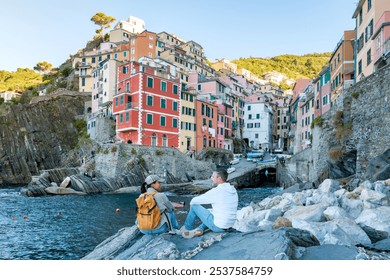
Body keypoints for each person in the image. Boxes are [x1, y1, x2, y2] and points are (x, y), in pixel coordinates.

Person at [180, 169, 238, 238]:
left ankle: (187, 228)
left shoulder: (217, 191)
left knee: (194, 206)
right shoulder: (232, 189)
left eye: (213, 176)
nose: (211, 178)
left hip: (218, 227)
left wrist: (192, 209)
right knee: (210, 212)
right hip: (230, 224)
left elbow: (194, 200)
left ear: (219, 179)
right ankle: (200, 229)